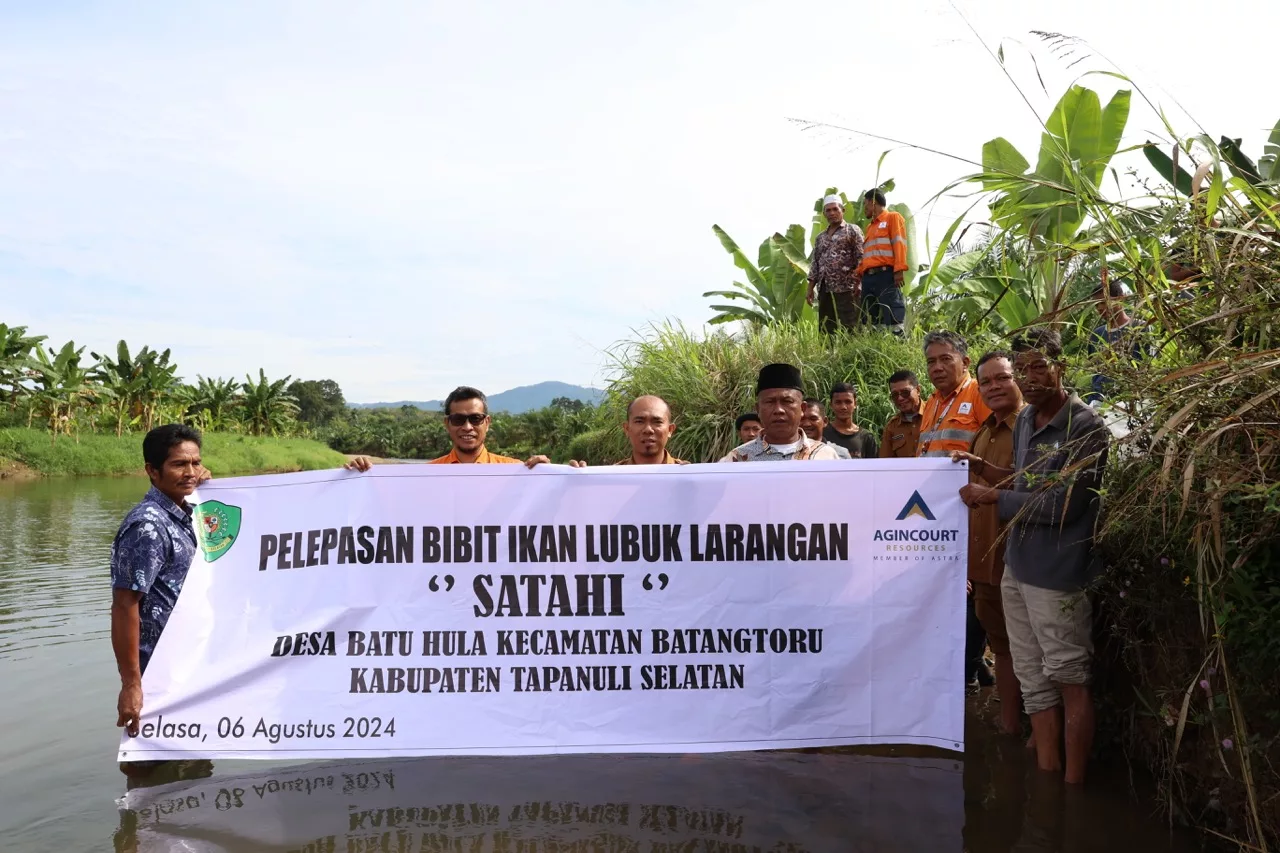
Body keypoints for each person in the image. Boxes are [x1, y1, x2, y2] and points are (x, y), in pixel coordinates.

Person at [959, 328, 1109, 785]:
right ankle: (1048, 774)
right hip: (1017, 569)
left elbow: (1062, 504)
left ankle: (1073, 787)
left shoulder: (1086, 428)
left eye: (1038, 367)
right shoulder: (1026, 422)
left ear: (1061, 367)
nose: (1030, 377)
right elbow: (1025, 481)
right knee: (1033, 680)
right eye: (1022, 368)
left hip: (1057, 575)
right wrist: (990, 472)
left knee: (1069, 677)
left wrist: (990, 497)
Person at [111, 425, 210, 754]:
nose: (191, 472)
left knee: (193, 767)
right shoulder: (148, 526)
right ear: (152, 471)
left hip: (188, 667)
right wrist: (132, 685)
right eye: (179, 464)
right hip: (157, 674)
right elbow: (125, 606)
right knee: (149, 770)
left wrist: (354, 479)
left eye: (196, 463)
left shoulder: (184, 513)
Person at [950, 351, 1026, 734]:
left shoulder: (1029, 427)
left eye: (1003, 378)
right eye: (987, 382)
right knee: (1002, 647)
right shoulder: (983, 431)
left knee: (1026, 651)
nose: (995, 387)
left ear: (1019, 378)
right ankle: (1010, 726)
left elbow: (1031, 487)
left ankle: (1025, 727)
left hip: (1020, 564)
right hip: (983, 564)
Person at [720, 364, 841, 462]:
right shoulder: (737, 459)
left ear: (802, 408)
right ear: (758, 410)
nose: (779, 410)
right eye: (769, 402)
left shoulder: (826, 456)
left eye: (787, 401)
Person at [918, 330, 991, 458]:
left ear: (965, 363)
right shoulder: (932, 401)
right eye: (931, 362)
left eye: (945, 359)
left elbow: (996, 447)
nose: (937, 368)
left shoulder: (979, 393)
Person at [806, 194, 865, 334]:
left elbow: (861, 258)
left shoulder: (852, 230)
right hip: (825, 288)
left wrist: (859, 283)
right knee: (826, 328)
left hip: (847, 287)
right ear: (824, 214)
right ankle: (827, 354)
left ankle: (852, 355)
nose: (832, 213)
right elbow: (815, 263)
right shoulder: (820, 237)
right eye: (828, 210)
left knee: (851, 327)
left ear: (842, 210)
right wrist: (810, 288)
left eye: (835, 209)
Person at [1085, 279, 1149, 404]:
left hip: (1130, 399)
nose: (1100, 308)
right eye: (1096, 305)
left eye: (1103, 302)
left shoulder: (1139, 327)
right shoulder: (1096, 335)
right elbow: (1094, 372)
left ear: (1121, 298)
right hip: (1100, 401)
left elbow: (1148, 365)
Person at [856, 189, 909, 334]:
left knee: (892, 312)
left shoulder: (892, 217)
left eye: (866, 205)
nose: (864, 209)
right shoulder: (870, 227)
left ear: (873, 203)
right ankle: (878, 343)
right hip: (869, 278)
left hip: (886, 275)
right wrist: (859, 273)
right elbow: (869, 254)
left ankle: (898, 342)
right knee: (872, 317)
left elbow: (899, 244)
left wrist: (899, 270)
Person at [430, 386, 522, 464]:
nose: (467, 427)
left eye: (475, 419)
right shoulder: (426, 474)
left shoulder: (515, 470)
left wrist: (536, 471)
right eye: (458, 419)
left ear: (487, 422)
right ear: (447, 424)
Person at [823, 382, 877, 459]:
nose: (843, 407)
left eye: (848, 402)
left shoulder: (866, 437)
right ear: (831, 405)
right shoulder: (822, 433)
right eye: (838, 402)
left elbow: (873, 467)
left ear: (855, 404)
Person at [879, 370, 924, 458]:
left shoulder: (935, 414)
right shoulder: (891, 427)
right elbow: (885, 463)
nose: (900, 398)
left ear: (918, 390)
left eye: (905, 392)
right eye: (895, 395)